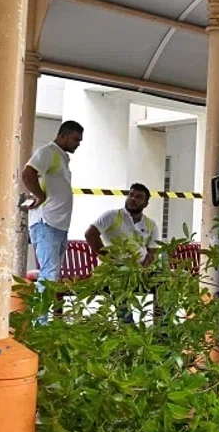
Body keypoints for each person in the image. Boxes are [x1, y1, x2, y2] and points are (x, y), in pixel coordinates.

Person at [22, 120, 84, 305]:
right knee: (49, 273)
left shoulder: (62, 157)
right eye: (75, 139)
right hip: (46, 223)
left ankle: (44, 321)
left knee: (52, 274)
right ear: (62, 135)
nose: (78, 144)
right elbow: (28, 173)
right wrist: (40, 196)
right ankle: (40, 324)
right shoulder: (47, 152)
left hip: (58, 225)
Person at [85, 183, 161, 323]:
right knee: (119, 281)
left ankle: (162, 329)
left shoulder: (151, 224)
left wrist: (144, 268)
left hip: (140, 273)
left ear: (146, 203)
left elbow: (153, 253)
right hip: (113, 271)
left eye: (138, 197)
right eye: (131, 195)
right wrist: (108, 259)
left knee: (163, 281)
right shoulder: (112, 216)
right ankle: (128, 329)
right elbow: (90, 234)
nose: (133, 199)